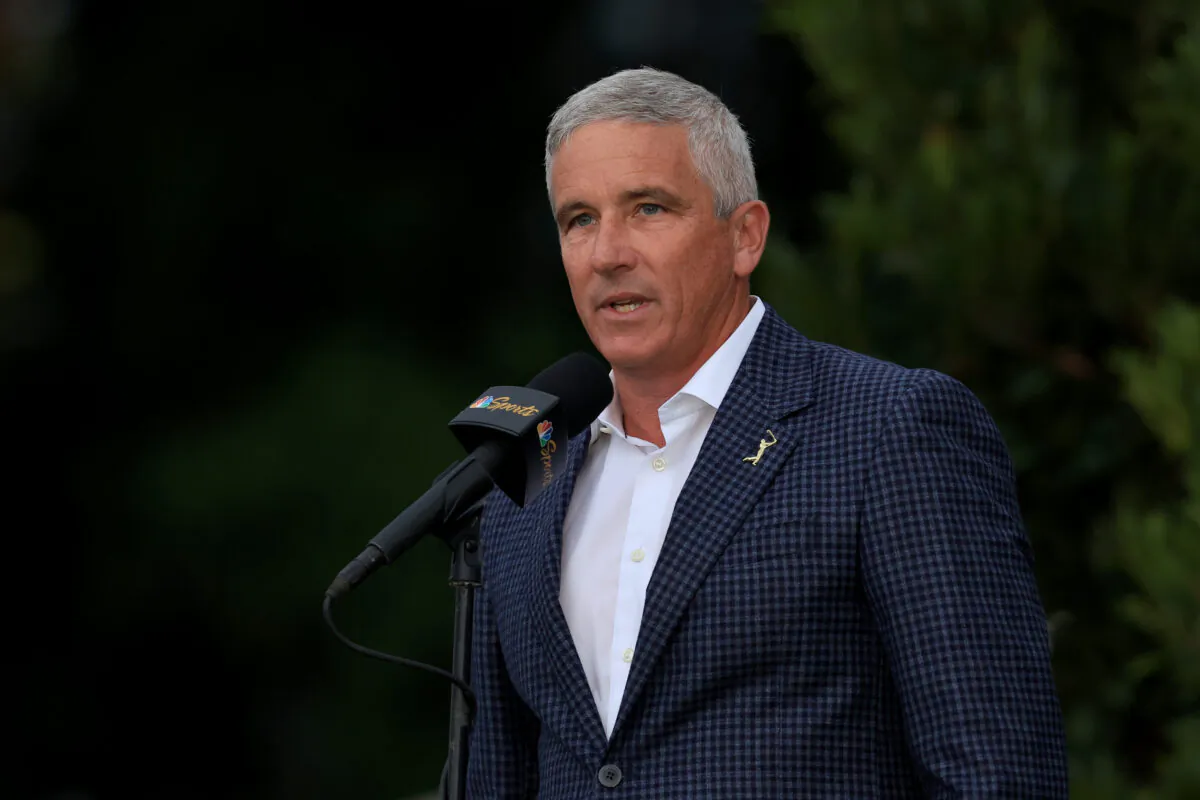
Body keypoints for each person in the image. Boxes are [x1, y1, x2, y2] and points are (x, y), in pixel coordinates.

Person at [466, 66, 1068, 798]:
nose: (607, 253)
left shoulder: (888, 427)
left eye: (648, 208)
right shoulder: (528, 474)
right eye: (579, 220)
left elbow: (997, 772)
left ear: (745, 236)